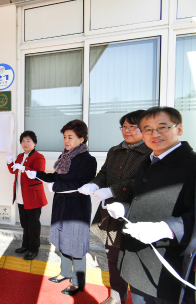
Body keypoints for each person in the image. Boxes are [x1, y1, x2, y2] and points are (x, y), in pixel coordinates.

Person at [105, 107, 196, 304]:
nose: (154, 134)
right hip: (136, 261)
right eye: (147, 129)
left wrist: (166, 229)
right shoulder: (149, 160)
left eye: (162, 127)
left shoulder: (192, 164)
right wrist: (125, 208)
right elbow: (144, 200)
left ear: (179, 129)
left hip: (167, 266)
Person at [79, 110, 152, 304]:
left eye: (132, 126)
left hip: (135, 215)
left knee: (135, 261)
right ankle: (116, 296)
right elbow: (103, 173)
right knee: (113, 258)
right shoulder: (114, 150)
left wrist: (112, 190)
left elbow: (142, 181)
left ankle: (139, 298)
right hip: (111, 214)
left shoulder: (152, 152)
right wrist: (94, 184)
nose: (127, 131)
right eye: (124, 127)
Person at [25, 119, 97, 296]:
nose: (66, 141)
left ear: (82, 138)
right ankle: (65, 272)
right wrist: (37, 174)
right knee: (62, 241)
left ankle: (78, 281)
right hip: (61, 206)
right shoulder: (64, 157)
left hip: (76, 209)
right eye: (64, 137)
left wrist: (55, 187)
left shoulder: (88, 160)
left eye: (70, 137)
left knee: (76, 244)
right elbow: (55, 177)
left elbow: (80, 184)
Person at [7, 130, 47, 261]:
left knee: (33, 224)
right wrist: (10, 162)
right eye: (23, 141)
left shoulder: (38, 157)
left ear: (34, 143)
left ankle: (33, 249)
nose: (25, 143)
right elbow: (13, 170)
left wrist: (24, 168)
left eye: (28, 141)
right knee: (25, 223)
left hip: (33, 197)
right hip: (21, 195)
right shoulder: (20, 156)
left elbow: (38, 174)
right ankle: (25, 245)